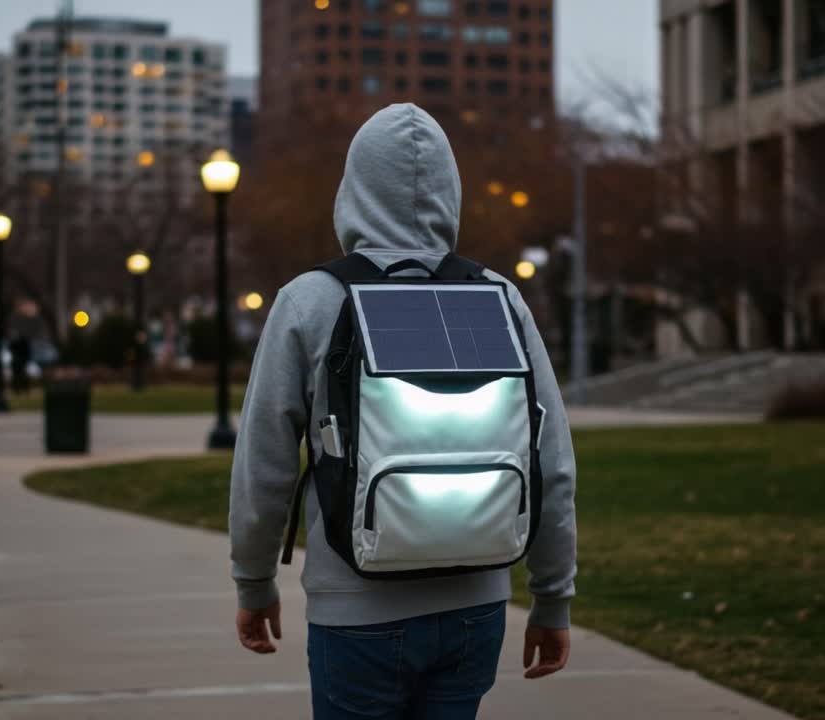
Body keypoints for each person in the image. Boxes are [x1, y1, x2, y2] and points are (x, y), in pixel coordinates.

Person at [229, 103, 577, 719]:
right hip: (477, 604)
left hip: (356, 610)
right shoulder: (497, 298)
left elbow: (265, 462)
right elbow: (550, 463)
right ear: (452, 192)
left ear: (352, 191)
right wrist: (551, 598)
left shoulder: (311, 300)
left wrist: (255, 583)